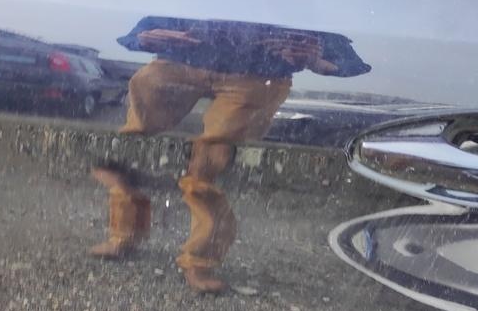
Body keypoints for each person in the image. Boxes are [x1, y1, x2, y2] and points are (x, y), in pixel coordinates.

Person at [90, 17, 371, 293]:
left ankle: (199, 262)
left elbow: (351, 63)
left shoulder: (297, 8)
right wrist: (144, 38)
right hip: (176, 64)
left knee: (209, 165)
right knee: (128, 147)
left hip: (257, 76)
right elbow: (139, 30)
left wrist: (316, 61)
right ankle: (123, 234)